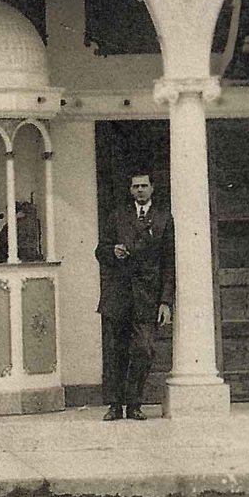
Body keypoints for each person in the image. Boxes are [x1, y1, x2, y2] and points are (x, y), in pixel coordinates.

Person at [96, 169, 174, 421]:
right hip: (118, 295)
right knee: (116, 351)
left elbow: (169, 263)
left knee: (144, 349)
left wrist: (165, 301)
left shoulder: (163, 219)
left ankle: (135, 403)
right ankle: (115, 405)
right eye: (135, 186)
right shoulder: (118, 216)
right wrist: (113, 251)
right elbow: (100, 250)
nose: (139, 190)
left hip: (147, 297)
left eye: (144, 186)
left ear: (152, 188)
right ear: (130, 190)